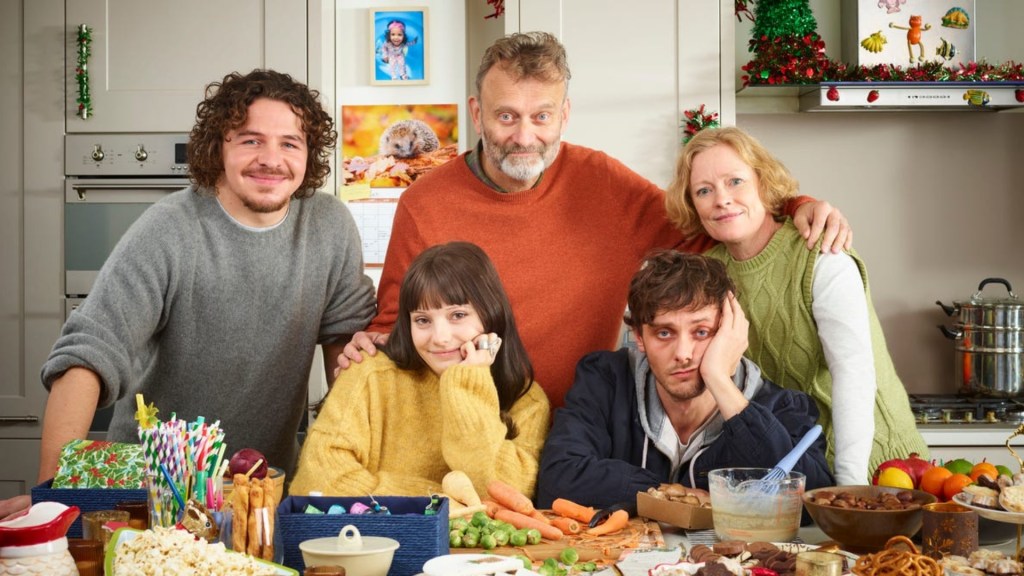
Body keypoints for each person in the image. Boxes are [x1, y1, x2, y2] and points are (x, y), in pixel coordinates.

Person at [339, 31, 853, 409]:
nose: (524, 136)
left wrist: (793, 204)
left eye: (541, 116)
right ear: (477, 113)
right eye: (506, 116)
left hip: (581, 427)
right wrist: (369, 346)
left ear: (564, 115)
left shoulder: (602, 181)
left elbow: (709, 222)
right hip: (466, 426)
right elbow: (399, 327)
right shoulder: (425, 203)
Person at [31, 70, 376, 500]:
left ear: (309, 154)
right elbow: (89, 353)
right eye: (250, 140)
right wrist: (50, 497)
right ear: (219, 147)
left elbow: (346, 350)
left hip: (262, 489)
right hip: (152, 488)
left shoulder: (329, 224)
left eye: (289, 143)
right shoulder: (168, 228)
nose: (271, 158)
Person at [664, 126, 927, 485]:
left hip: (877, 468)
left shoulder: (821, 255)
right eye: (704, 191)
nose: (721, 199)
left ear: (763, 182)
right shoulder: (710, 273)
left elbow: (853, 374)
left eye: (735, 182)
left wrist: (849, 489)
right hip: (795, 471)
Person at [535, 251, 833, 509]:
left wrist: (719, 379)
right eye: (664, 333)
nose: (683, 354)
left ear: (730, 332)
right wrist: (671, 495)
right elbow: (557, 481)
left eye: (701, 332)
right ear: (639, 336)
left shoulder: (783, 408)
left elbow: (811, 502)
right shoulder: (605, 380)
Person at [290, 242, 550, 498]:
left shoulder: (528, 401)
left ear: (492, 314)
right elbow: (317, 480)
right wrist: (439, 505)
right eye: (423, 320)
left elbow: (505, 494)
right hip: (378, 539)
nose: (440, 337)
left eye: (457, 315)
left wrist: (467, 383)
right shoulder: (370, 374)